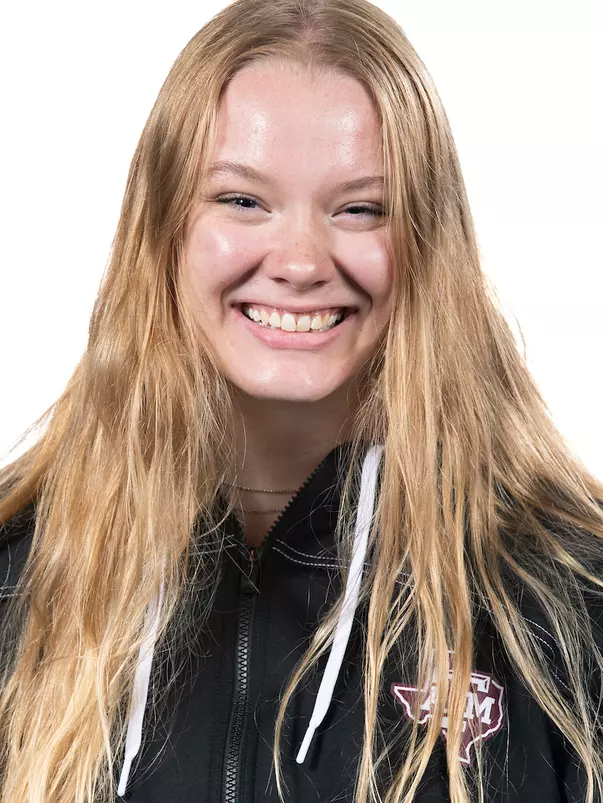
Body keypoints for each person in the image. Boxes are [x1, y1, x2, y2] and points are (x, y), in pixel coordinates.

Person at [0, 0, 602, 801]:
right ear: (164, 228)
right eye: (243, 200)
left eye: (359, 209)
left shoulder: (561, 595)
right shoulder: (23, 566)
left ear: (428, 241)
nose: (299, 260)